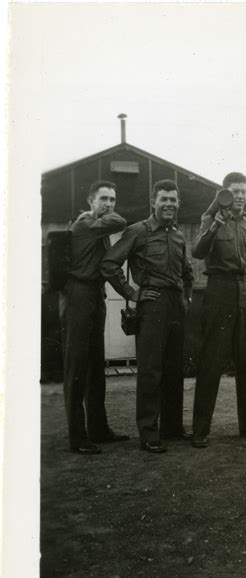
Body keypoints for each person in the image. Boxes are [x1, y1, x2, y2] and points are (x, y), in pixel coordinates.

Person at [101, 179, 194, 454]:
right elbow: (109, 264)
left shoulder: (177, 236)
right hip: (151, 305)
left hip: (176, 305)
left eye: (173, 200)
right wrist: (132, 293)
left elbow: (187, 273)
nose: (168, 204)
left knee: (174, 369)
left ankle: (172, 428)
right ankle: (149, 432)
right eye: (163, 199)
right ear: (153, 202)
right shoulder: (137, 232)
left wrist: (186, 298)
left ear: (178, 204)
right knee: (151, 370)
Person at [190, 172, 246, 448]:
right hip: (218, 290)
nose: (240, 196)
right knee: (212, 361)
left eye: (243, 191)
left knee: (245, 361)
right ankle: (200, 430)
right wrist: (214, 223)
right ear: (225, 193)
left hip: (244, 293)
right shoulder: (210, 218)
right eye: (234, 191)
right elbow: (198, 252)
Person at [61, 180, 129, 455]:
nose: (109, 204)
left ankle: (99, 429)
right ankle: (78, 437)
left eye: (112, 199)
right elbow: (121, 221)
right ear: (91, 200)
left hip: (93, 294)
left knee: (94, 367)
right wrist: (101, 214)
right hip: (79, 295)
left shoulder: (95, 226)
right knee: (77, 368)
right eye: (103, 199)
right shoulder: (87, 224)